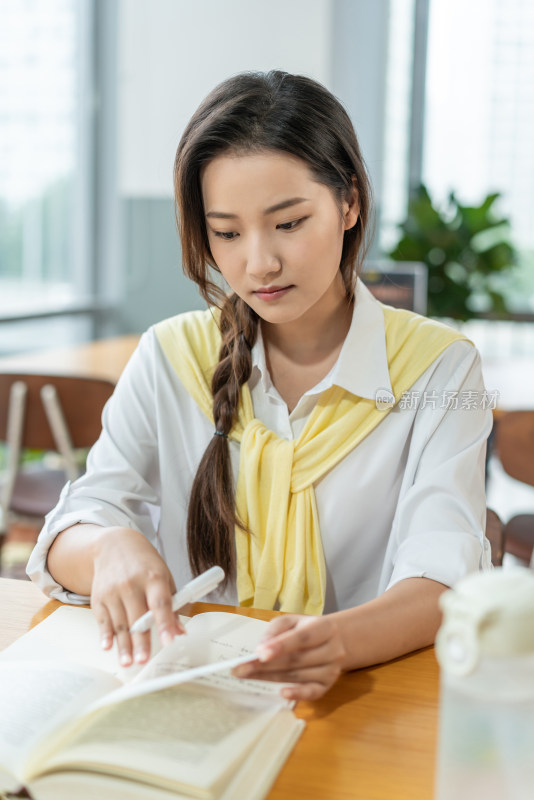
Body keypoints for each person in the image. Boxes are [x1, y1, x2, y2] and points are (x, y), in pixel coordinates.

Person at [27, 70, 492, 701]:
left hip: (357, 695)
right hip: (188, 695)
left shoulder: (440, 369)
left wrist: (339, 641)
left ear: (348, 203)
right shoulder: (170, 356)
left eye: (289, 223)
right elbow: (70, 530)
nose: (259, 263)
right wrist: (110, 546)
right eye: (226, 233)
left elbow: (444, 574)